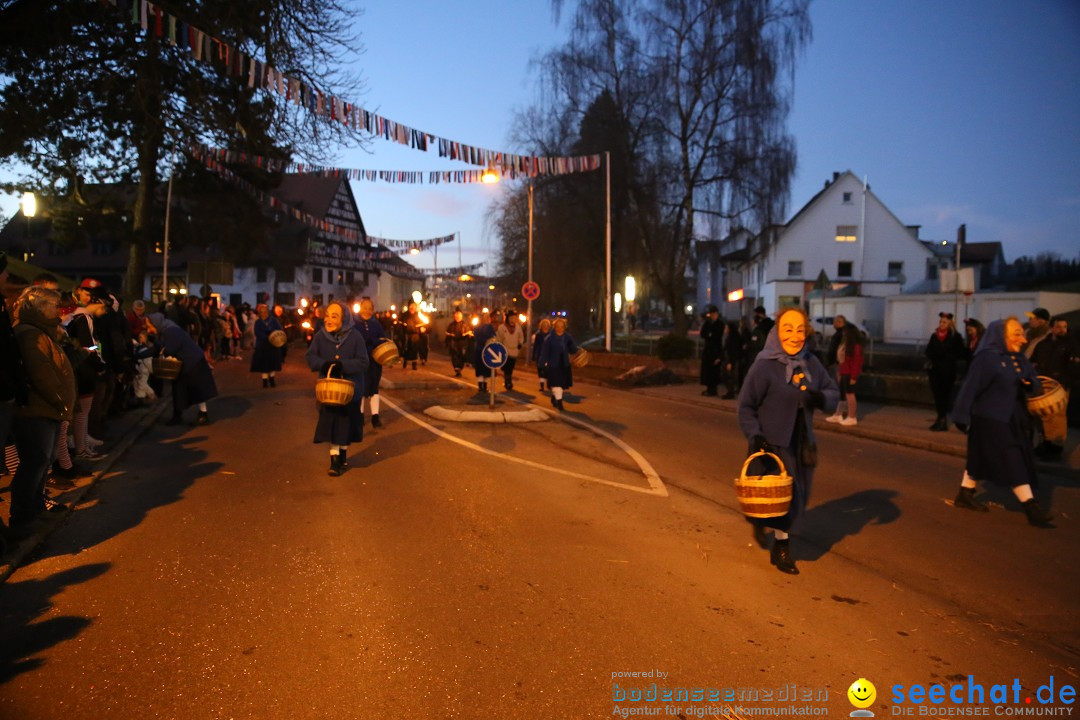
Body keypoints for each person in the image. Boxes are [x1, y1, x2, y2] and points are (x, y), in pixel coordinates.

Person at [737, 308, 839, 575]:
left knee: (796, 498)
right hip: (771, 444)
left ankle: (772, 531)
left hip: (802, 443)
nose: (794, 336)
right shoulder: (764, 365)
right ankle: (782, 548)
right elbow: (746, 406)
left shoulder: (811, 363)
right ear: (777, 332)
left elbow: (832, 393)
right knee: (777, 500)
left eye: (799, 330)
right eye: (788, 330)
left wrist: (818, 398)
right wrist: (755, 435)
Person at [951, 318, 1053, 528]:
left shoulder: (1019, 358)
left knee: (981, 457)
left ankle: (965, 494)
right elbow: (969, 388)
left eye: (1022, 334)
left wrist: (1029, 384)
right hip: (990, 418)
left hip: (1014, 418)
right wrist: (961, 416)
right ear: (1000, 335)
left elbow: (1034, 382)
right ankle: (1031, 507)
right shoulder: (986, 358)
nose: (1023, 339)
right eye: (1016, 334)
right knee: (1012, 458)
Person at [8, 287, 77, 539]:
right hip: (36, 410)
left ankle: (35, 509)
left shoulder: (42, 332)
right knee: (34, 462)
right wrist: (61, 401)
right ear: (38, 308)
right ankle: (23, 518)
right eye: (52, 306)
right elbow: (42, 374)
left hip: (45, 409)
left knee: (41, 462)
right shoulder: (30, 334)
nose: (58, 310)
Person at [305, 302, 369, 476]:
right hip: (329, 392)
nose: (329, 320)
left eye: (334, 316)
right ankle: (334, 461)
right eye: (327, 315)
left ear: (344, 319)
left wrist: (343, 365)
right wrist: (324, 364)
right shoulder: (320, 336)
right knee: (332, 424)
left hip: (350, 392)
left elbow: (364, 361)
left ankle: (343, 456)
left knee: (346, 424)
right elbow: (310, 357)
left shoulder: (355, 337)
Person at [147, 312, 218, 425]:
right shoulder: (165, 331)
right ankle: (177, 416)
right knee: (178, 390)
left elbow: (170, 349)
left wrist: (158, 347)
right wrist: (136, 355)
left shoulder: (171, 331)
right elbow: (158, 348)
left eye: (149, 326)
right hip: (184, 363)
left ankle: (203, 415)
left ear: (156, 323)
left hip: (193, 362)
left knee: (196, 389)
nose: (148, 329)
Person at [1030, 316, 1075, 459]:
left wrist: (1065, 381)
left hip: (1060, 386)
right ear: (1052, 328)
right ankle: (1045, 443)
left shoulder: (1070, 345)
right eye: (1059, 327)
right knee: (1044, 417)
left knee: (1058, 417)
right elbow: (1034, 361)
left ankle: (1056, 447)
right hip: (1044, 385)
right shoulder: (1043, 344)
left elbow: (1073, 367)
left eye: (1064, 327)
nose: (1062, 330)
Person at [923, 312, 967, 431]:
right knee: (937, 395)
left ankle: (942, 419)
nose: (942, 324)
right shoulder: (934, 336)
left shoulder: (955, 337)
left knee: (945, 395)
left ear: (950, 324)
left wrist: (947, 356)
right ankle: (940, 418)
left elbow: (960, 352)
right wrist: (935, 355)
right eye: (941, 322)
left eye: (944, 322)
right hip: (935, 370)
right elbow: (928, 350)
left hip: (948, 370)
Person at [354, 298, 387, 428]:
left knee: (374, 388)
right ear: (360, 308)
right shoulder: (355, 324)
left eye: (370, 308)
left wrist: (373, 342)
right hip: (361, 362)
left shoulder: (377, 325)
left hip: (374, 361)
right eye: (365, 307)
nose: (367, 310)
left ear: (373, 310)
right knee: (361, 389)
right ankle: (360, 416)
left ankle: (375, 417)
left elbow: (383, 340)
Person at [538, 317, 579, 411]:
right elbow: (545, 353)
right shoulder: (549, 339)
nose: (560, 328)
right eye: (558, 326)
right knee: (557, 384)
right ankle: (560, 403)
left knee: (561, 384)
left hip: (564, 365)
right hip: (553, 365)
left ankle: (554, 397)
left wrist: (577, 352)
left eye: (562, 326)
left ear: (565, 327)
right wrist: (541, 364)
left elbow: (573, 349)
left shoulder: (567, 337)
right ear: (554, 327)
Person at [250, 303, 283, 388]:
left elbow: (279, 330)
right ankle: (264, 381)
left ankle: (272, 379)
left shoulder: (274, 320)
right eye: (261, 312)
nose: (263, 313)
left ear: (268, 312)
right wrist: (267, 337)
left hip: (273, 345)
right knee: (263, 365)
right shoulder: (258, 322)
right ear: (259, 313)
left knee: (272, 363)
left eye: (265, 311)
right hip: (262, 345)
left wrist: (273, 336)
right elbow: (257, 333)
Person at [496, 310, 525, 391]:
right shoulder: (502, 327)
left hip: (514, 350)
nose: (512, 320)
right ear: (507, 318)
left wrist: (520, 343)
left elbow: (521, 337)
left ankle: (508, 380)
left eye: (514, 318)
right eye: (511, 318)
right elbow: (499, 338)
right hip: (505, 350)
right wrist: (500, 347)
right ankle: (508, 381)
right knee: (506, 367)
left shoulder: (518, 327)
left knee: (511, 367)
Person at [699, 305, 723, 397]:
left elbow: (717, 336)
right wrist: (709, 335)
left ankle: (713, 389)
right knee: (707, 370)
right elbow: (703, 334)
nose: (712, 316)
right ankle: (709, 388)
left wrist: (710, 335)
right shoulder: (708, 323)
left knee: (714, 371)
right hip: (708, 349)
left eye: (714, 314)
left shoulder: (720, 324)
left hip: (715, 350)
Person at [471, 311, 498, 393]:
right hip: (487, 351)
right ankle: (484, 386)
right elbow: (493, 337)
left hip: (480, 350)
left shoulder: (478, 327)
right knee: (485, 369)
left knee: (481, 369)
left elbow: (476, 337)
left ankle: (481, 386)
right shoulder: (490, 327)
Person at [444, 309, 472, 377]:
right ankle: (457, 369)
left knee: (461, 356)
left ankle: (460, 368)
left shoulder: (465, 325)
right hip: (454, 343)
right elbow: (447, 333)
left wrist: (468, 334)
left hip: (462, 343)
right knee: (454, 356)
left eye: (458, 316)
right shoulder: (451, 325)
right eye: (456, 316)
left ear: (461, 316)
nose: (457, 317)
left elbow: (468, 333)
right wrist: (449, 338)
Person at [721, 321, 744, 399]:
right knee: (726, 376)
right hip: (728, 359)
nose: (725, 329)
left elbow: (734, 350)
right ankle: (730, 391)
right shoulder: (730, 337)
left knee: (729, 376)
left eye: (726, 327)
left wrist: (731, 362)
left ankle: (731, 392)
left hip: (731, 360)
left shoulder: (734, 338)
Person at [532, 317, 551, 392]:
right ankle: (542, 386)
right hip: (540, 355)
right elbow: (536, 346)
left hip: (549, 356)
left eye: (546, 325)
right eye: (544, 325)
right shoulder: (538, 335)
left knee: (549, 371)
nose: (545, 326)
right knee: (541, 371)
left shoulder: (551, 334)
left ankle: (549, 384)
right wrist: (534, 356)